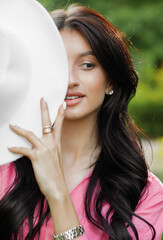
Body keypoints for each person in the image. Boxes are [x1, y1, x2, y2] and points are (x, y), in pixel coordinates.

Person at [0, 4, 163, 240]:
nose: (70, 80)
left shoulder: (146, 195)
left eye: (87, 65)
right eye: (58, 65)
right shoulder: (6, 168)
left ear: (111, 82)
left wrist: (57, 193)